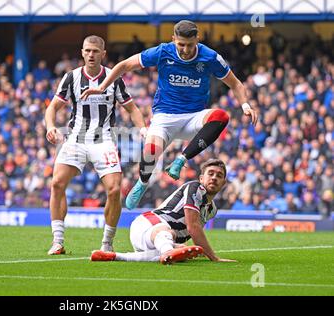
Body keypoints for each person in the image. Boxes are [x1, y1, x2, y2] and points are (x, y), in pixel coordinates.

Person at [82, 20, 258, 210]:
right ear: (173, 39)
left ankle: (181, 160)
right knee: (150, 151)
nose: (185, 49)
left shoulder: (210, 57)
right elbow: (124, 65)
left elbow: (236, 84)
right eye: (180, 44)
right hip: (164, 117)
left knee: (222, 116)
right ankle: (142, 182)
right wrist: (101, 87)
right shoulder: (162, 51)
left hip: (194, 117)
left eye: (190, 45)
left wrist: (245, 105)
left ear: (197, 40)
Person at [45, 35, 147, 255]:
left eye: (95, 51)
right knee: (57, 184)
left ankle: (107, 242)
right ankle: (58, 241)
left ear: (103, 54)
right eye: (87, 51)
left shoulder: (114, 78)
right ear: (82, 53)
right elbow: (52, 107)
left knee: (114, 189)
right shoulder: (71, 78)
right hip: (76, 139)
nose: (91, 55)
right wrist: (51, 126)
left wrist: (143, 129)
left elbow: (132, 109)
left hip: (104, 140)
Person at [90, 159, 237, 264]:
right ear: (201, 178)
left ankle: (115, 256)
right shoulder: (195, 188)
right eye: (210, 173)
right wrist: (213, 257)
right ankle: (168, 250)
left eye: (219, 175)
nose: (214, 178)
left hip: (159, 240)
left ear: (224, 183)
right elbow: (193, 227)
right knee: (169, 237)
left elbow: (189, 229)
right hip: (149, 224)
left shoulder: (213, 210)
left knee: (178, 251)